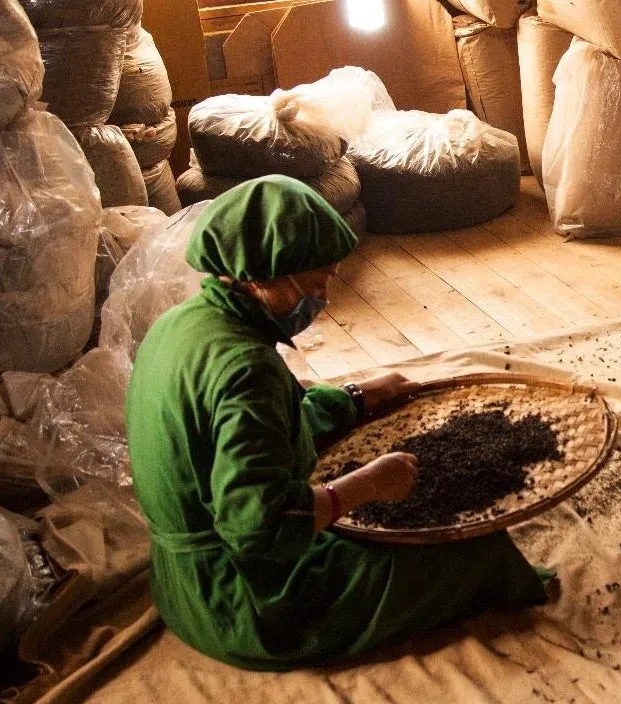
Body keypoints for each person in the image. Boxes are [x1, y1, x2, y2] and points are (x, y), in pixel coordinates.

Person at [126, 175, 552, 671]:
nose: (323, 296)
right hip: (239, 599)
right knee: (473, 555)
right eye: (312, 284)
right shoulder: (246, 368)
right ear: (263, 277)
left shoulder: (178, 325)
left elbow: (268, 431)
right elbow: (258, 526)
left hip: (176, 578)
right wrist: (363, 486)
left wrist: (356, 397)